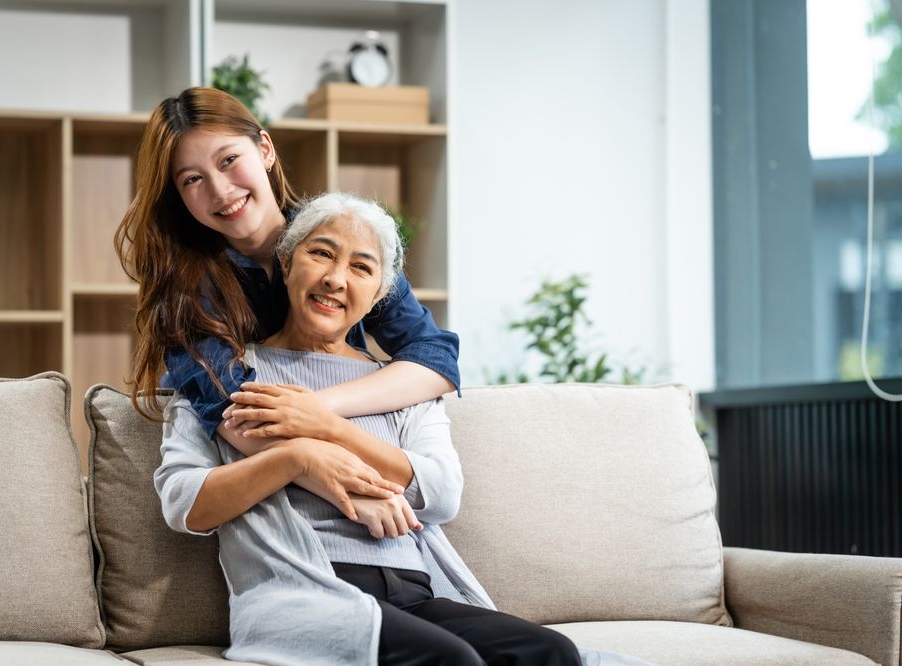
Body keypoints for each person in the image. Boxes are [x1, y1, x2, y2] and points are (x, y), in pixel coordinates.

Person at [154, 191, 586, 665]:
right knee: (451, 660)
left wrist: (330, 427)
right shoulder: (224, 377)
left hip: (415, 592)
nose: (336, 279)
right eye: (320, 253)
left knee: (552, 653)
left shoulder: (402, 386)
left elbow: (441, 492)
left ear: (381, 292)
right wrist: (296, 457)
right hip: (305, 592)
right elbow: (184, 503)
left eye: (361, 267)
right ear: (286, 261)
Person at [115, 88, 459, 509]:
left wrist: (317, 406)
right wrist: (332, 476)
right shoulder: (184, 286)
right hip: (240, 461)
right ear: (178, 196)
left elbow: (435, 357)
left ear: (264, 149)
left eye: (228, 160)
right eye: (193, 179)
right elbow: (233, 411)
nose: (221, 191)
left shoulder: (340, 239)